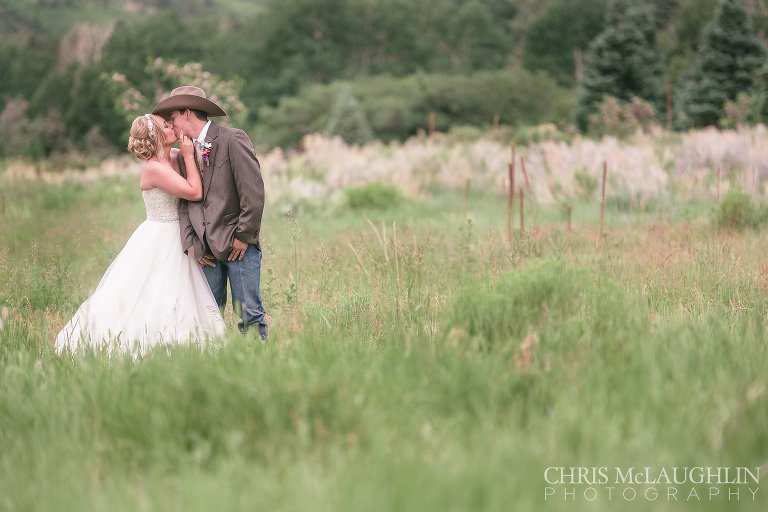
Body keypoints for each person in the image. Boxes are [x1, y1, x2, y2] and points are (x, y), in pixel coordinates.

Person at [55, 114, 225, 355]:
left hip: (181, 232)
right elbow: (194, 192)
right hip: (160, 236)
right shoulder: (153, 169)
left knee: (183, 291)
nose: (172, 126)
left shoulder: (175, 157)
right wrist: (189, 154)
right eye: (166, 126)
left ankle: (186, 342)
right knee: (152, 290)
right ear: (156, 136)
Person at [152, 86, 268, 339]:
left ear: (187, 113)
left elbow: (253, 192)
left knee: (249, 314)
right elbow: (182, 203)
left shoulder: (232, 139)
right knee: (207, 316)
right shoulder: (183, 153)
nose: (171, 124)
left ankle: (259, 366)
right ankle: (215, 368)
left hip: (239, 246)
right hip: (203, 250)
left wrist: (244, 235)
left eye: (173, 117)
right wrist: (190, 243)